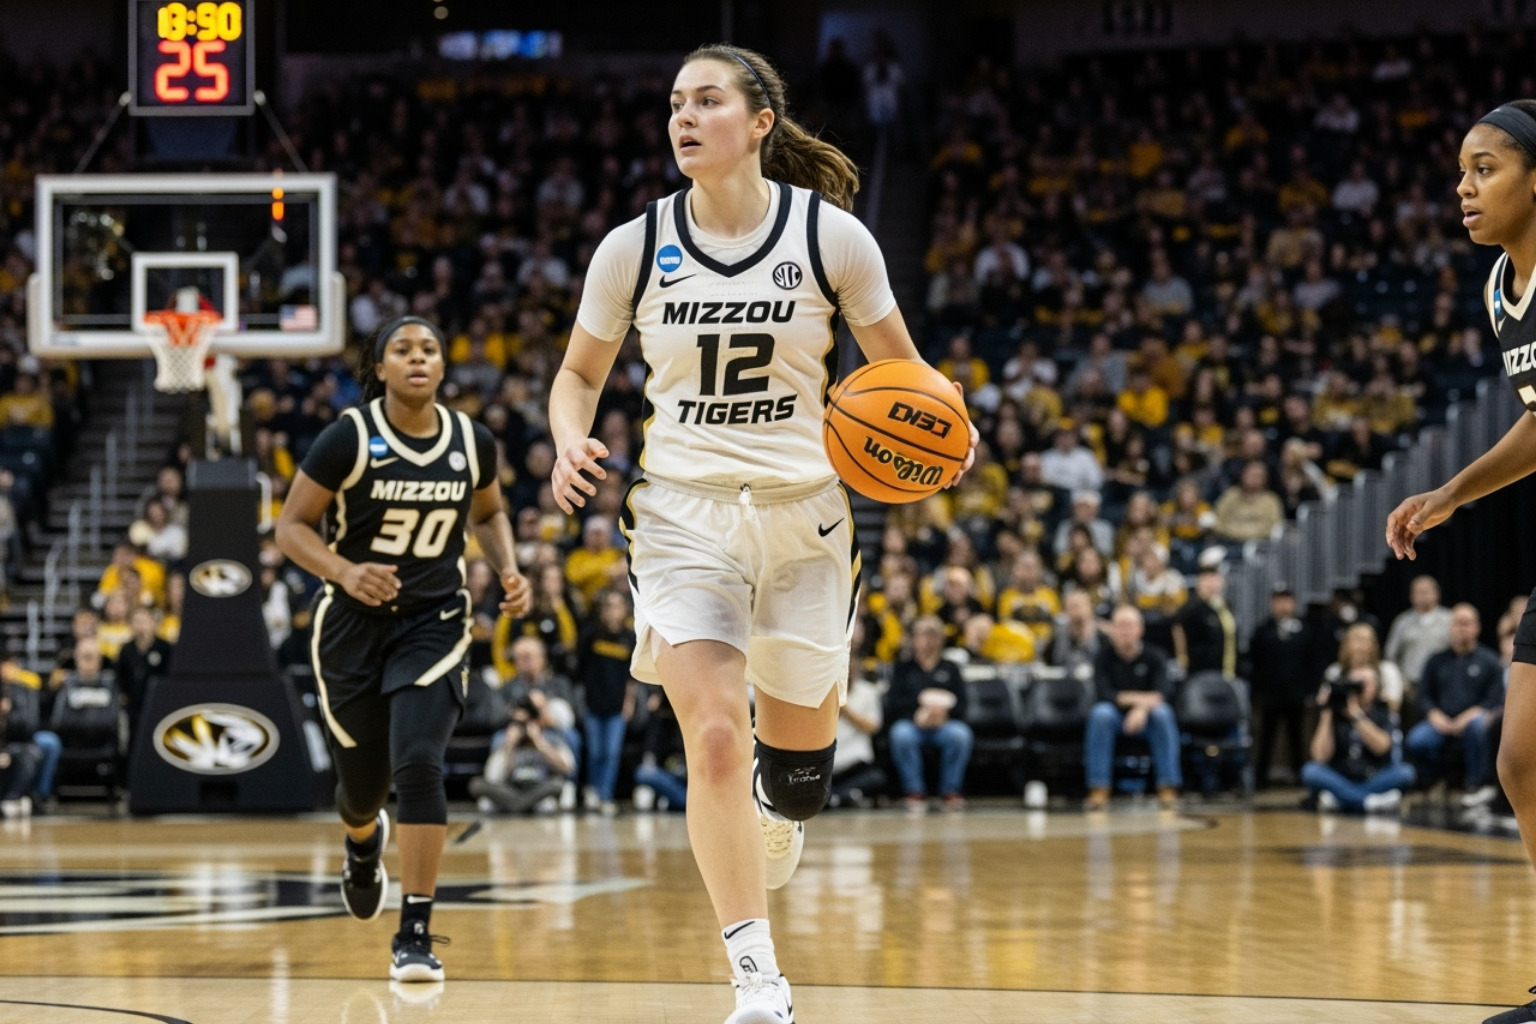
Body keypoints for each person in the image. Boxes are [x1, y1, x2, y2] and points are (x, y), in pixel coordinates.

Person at [546, 43, 975, 1024]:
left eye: (706, 101)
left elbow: (901, 375)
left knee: (799, 774)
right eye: (674, 104)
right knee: (710, 737)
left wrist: (947, 423)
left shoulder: (834, 240)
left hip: (806, 517)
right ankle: (757, 977)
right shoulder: (631, 246)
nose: (682, 118)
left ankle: (784, 814)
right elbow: (577, 375)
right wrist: (571, 441)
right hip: (681, 515)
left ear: (761, 121)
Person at [274, 316, 531, 984]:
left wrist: (507, 566)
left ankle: (414, 932)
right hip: (352, 627)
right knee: (362, 790)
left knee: (419, 762)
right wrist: (342, 570)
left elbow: (489, 512)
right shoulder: (348, 438)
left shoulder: (472, 442)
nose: (417, 359)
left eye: (429, 350)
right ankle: (363, 844)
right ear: (380, 368)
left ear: (443, 368)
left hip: (435, 621)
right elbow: (290, 527)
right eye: (402, 350)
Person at [1383, 101, 1536, 1024]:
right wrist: (1449, 495)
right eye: (1462, 171)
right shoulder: (1498, 291)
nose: (1464, 187)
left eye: (1485, 168)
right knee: (1521, 756)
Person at [1084, 604, 1181, 810]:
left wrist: (1140, 709)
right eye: (1119, 626)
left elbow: (1163, 694)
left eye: (1129, 626)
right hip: (1115, 719)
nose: (1124, 631)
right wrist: (1140, 702)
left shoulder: (1157, 656)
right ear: (1112, 630)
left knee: (1163, 714)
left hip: (1148, 721)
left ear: (1140, 629)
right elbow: (1103, 694)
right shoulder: (1102, 658)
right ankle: (1099, 786)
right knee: (1100, 714)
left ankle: (1167, 785)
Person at [1405, 603, 1503, 791]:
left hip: (1473, 719)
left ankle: (1477, 783)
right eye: (1458, 623)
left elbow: (1494, 699)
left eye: (1467, 623)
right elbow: (1424, 696)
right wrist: (1434, 715)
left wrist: (1467, 717)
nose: (1462, 628)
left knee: (1477, 727)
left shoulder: (1489, 660)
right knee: (1416, 740)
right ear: (1450, 627)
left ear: (1477, 627)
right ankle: (1437, 780)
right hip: (1441, 722)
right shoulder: (1437, 660)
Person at [884, 616, 973, 813]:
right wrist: (917, 712)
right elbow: (893, 704)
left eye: (934, 633)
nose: (929, 639)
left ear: (941, 638)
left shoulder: (951, 668)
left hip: (944, 725)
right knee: (900, 734)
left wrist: (944, 713)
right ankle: (914, 791)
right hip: (913, 724)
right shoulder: (902, 668)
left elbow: (963, 703)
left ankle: (951, 790)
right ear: (913, 639)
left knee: (960, 735)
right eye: (924, 633)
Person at [1300, 665, 1415, 814]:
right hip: (1340, 776)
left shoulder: (1382, 710)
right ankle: (1368, 802)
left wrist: (1356, 714)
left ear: (1376, 686)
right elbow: (1320, 757)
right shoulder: (1334, 711)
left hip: (1373, 777)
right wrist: (1326, 713)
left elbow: (1382, 747)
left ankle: (1342, 799)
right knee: (1311, 771)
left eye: (1364, 684)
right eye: (1353, 684)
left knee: (1405, 773)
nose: (1358, 689)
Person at [1243, 584, 1316, 788]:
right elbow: (1254, 663)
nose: (1283, 605)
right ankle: (1260, 778)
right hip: (1270, 695)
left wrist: (1310, 690)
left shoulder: (1305, 630)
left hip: (1296, 695)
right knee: (1265, 737)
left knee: (1297, 737)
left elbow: (1312, 662)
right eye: (1278, 601)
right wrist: (1257, 691)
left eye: (1286, 600)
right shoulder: (1263, 630)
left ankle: (1301, 777)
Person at [468, 700, 575, 814]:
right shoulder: (502, 739)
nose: (521, 728)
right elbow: (493, 777)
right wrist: (509, 747)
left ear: (534, 721)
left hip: (538, 787)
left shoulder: (550, 737)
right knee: (476, 784)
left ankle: (516, 805)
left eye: (525, 723)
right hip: (511, 788)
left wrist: (540, 744)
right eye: (516, 723)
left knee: (558, 784)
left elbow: (568, 768)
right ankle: (522, 805)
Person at [1171, 551, 1238, 677]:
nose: (1211, 583)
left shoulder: (1224, 607)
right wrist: (1182, 659)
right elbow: (1177, 627)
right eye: (1206, 578)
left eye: (1214, 578)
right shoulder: (1192, 607)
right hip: (1200, 672)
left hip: (1227, 671)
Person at [1382, 574, 1453, 690]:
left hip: (1443, 684)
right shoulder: (1402, 622)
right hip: (1410, 685)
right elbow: (1391, 655)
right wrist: (1399, 681)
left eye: (1427, 591)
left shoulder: (1449, 620)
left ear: (1437, 594)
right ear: (1411, 596)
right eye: (1419, 592)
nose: (1423, 596)